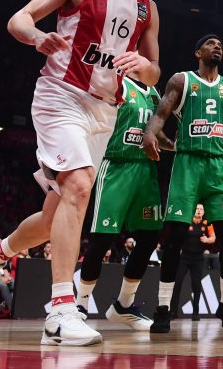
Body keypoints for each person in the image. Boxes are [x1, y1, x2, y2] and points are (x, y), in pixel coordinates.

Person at [0, 0, 160, 346]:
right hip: (61, 95)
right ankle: (60, 311)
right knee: (80, 185)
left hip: (104, 113)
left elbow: (154, 70)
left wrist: (144, 68)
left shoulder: (147, 6)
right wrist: (37, 37)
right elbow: (19, 19)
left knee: (54, 217)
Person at [144, 35, 223, 334]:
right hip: (188, 164)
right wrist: (150, 133)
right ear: (198, 52)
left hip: (221, 167)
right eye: (211, 43)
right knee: (174, 236)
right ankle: (163, 307)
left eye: (221, 44)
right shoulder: (181, 81)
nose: (218, 46)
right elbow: (161, 114)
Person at [75, 76, 169, 332]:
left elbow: (157, 131)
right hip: (116, 166)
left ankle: (124, 305)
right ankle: (80, 306)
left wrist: (176, 146)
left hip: (146, 170)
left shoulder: (154, 93)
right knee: (102, 239)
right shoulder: (118, 84)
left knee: (149, 238)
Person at [169, 204, 215, 322]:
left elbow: (213, 237)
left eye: (201, 209)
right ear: (193, 210)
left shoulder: (207, 224)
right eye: (197, 209)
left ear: (203, 212)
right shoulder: (187, 221)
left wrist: (207, 240)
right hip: (184, 257)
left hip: (198, 259)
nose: (199, 211)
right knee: (177, 282)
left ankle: (195, 313)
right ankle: (173, 311)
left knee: (196, 285)